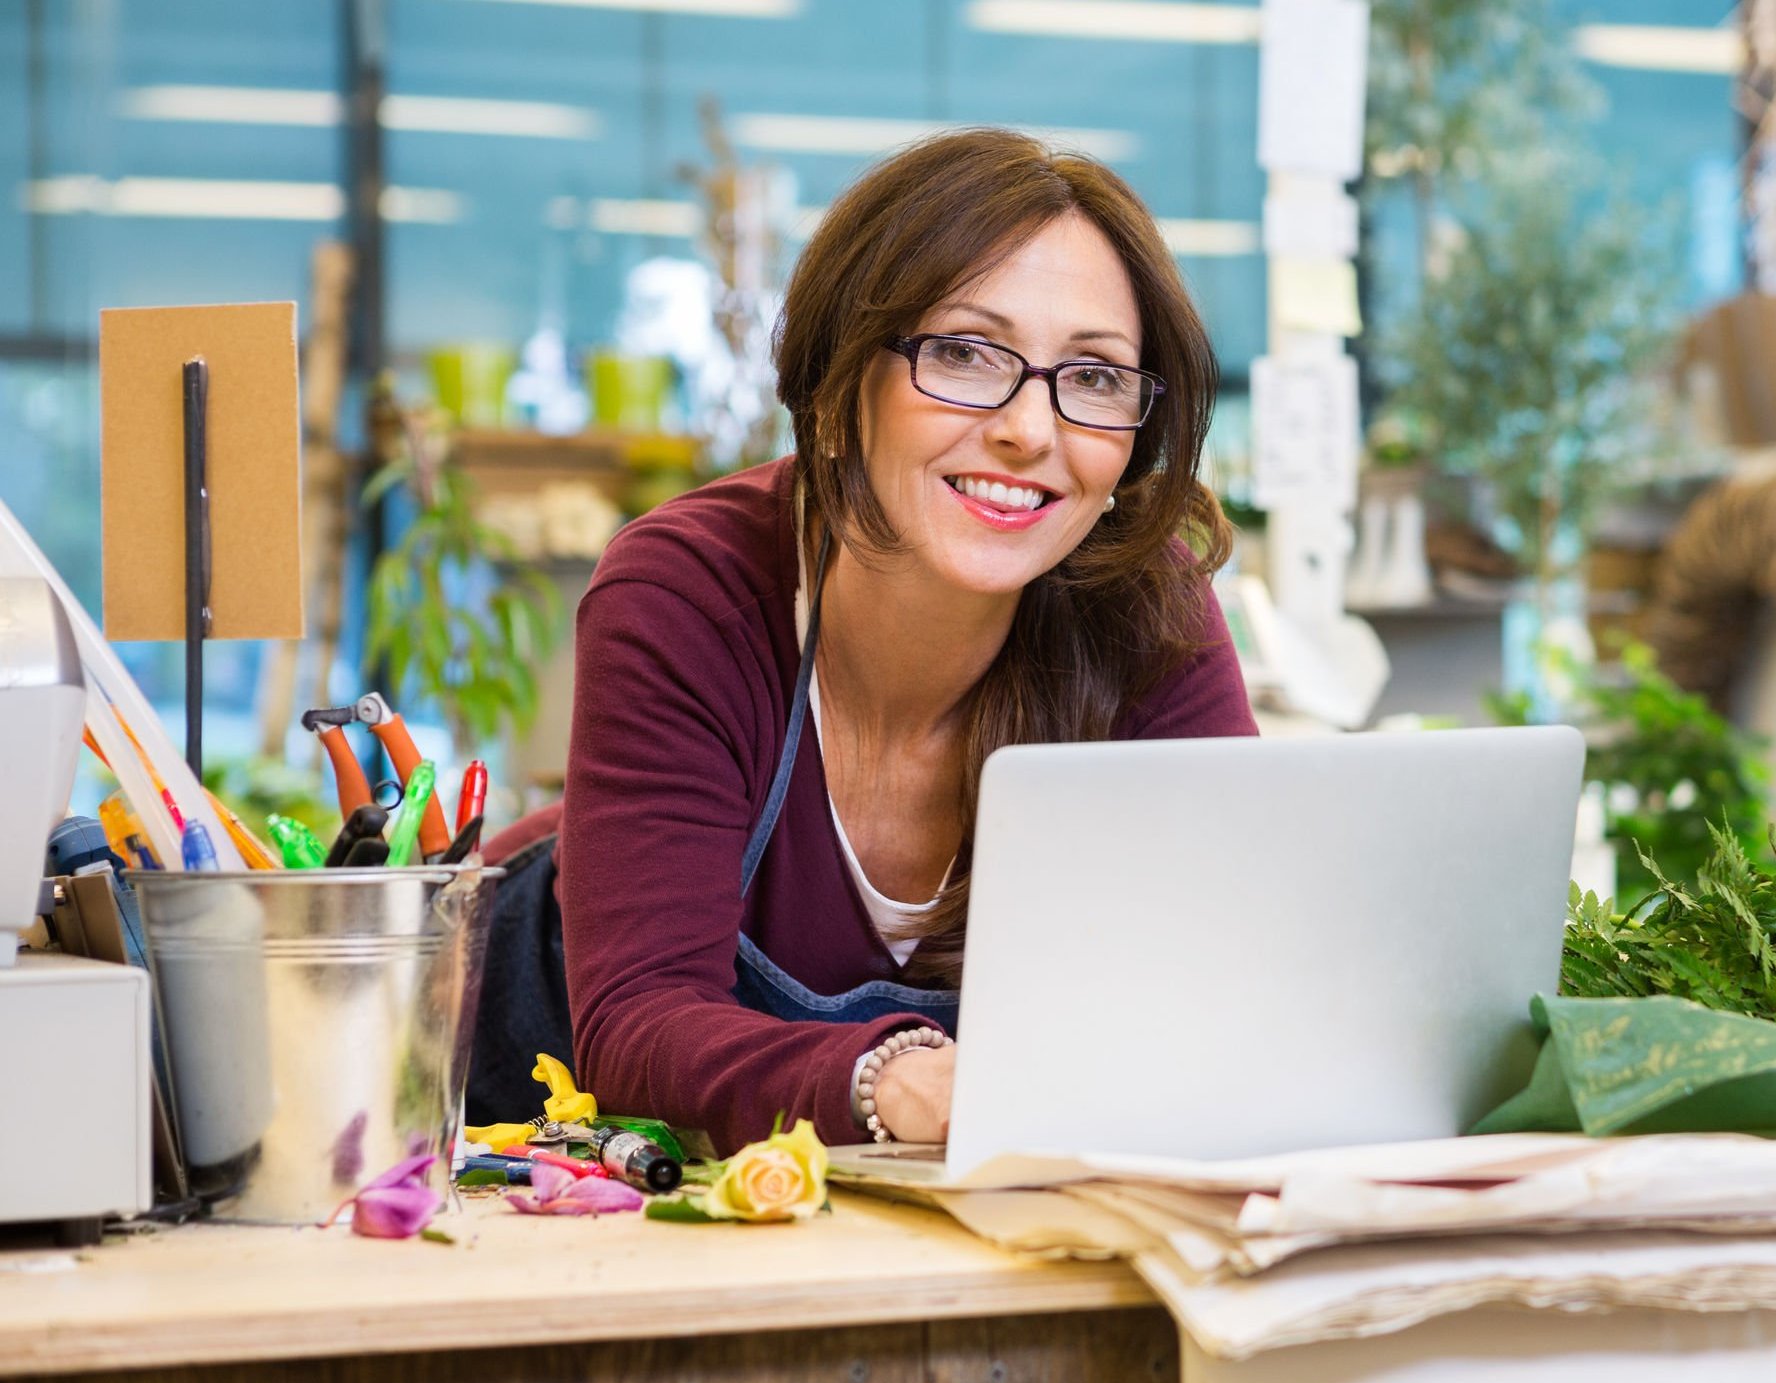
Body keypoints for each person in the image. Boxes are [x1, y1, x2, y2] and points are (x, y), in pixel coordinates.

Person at [474, 129, 1256, 1154]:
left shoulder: (1144, 613)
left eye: (1097, 376)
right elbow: (640, 1026)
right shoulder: (692, 592)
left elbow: (1235, 971)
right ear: (841, 394)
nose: (1031, 429)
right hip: (549, 1153)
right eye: (966, 354)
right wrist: (895, 1080)